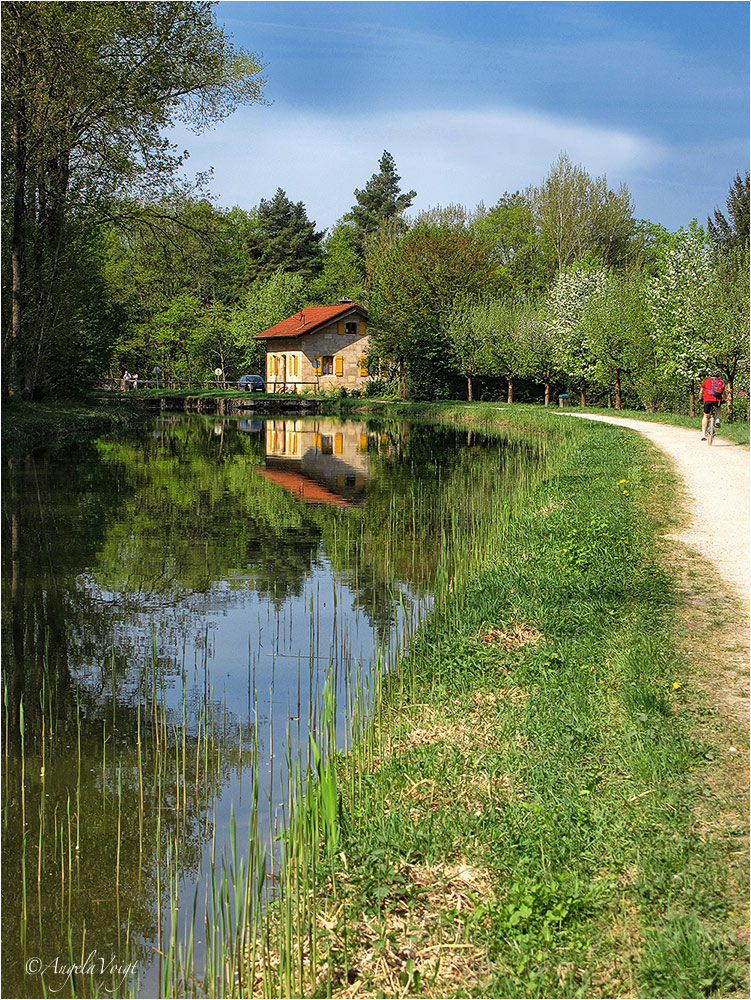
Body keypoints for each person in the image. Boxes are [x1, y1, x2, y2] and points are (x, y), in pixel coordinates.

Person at [700, 370, 724, 440]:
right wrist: (723, 400)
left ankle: (703, 435)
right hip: (717, 399)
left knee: (705, 416)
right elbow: (724, 392)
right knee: (718, 407)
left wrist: (700, 398)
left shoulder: (707, 380)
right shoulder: (721, 382)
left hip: (707, 399)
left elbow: (701, 391)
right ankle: (718, 419)